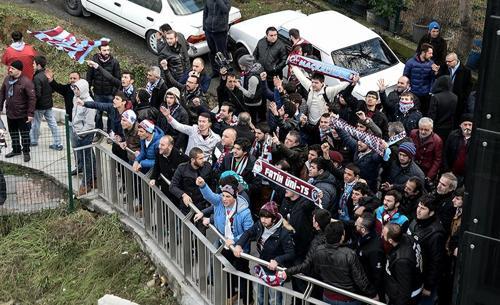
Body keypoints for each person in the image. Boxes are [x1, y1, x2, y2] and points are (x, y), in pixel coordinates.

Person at [280, 221, 377, 305]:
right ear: (342, 237)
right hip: (348, 298)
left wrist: (288, 271)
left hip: (327, 296)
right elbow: (360, 279)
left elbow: (308, 267)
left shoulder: (319, 250)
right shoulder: (349, 254)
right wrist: (373, 294)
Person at [195, 175, 254, 304]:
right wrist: (203, 185)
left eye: (228, 197)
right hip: (224, 244)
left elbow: (249, 232)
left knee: (243, 275)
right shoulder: (219, 201)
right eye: (223, 196)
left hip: (240, 248)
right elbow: (209, 196)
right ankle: (231, 296)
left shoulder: (244, 212)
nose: (225, 199)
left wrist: (236, 241)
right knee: (227, 271)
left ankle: (248, 300)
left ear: (235, 196)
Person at [233, 201, 295, 305]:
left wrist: (277, 260)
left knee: (274, 300)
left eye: (266, 217)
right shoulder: (259, 225)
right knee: (260, 296)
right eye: (261, 216)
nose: (263, 220)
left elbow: (291, 253)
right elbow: (248, 233)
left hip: (276, 271)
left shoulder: (284, 233)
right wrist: (239, 245)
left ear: (274, 218)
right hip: (262, 266)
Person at [408, 194, 446, 305]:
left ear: (432, 212)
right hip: (412, 275)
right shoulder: (415, 221)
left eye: (423, 208)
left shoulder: (436, 233)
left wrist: (429, 286)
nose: (418, 211)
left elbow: (436, 262)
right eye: (418, 206)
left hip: (424, 281)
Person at [0, 60, 35, 162]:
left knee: (24, 134)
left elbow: (32, 98)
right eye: (10, 68)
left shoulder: (26, 82)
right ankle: (16, 150)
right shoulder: (7, 79)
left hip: (22, 114)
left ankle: (26, 151)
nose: (10, 70)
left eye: (13, 68)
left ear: (19, 70)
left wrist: (30, 113)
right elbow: (2, 94)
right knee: (13, 133)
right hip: (10, 113)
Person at [382, 223, 423, 305]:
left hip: (408, 297)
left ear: (390, 240)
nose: (382, 235)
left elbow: (404, 292)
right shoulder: (407, 237)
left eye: (384, 235)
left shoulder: (402, 261)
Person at [86, 42, 121, 132]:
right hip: (98, 93)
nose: (107, 52)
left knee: (111, 115)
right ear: (100, 50)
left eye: (108, 50)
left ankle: (110, 133)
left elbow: (117, 79)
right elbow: (89, 77)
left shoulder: (114, 62)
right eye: (104, 50)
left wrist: (114, 92)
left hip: (110, 94)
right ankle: (99, 132)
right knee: (98, 114)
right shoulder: (94, 61)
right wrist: (89, 91)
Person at [69, 79, 97, 195]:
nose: (75, 90)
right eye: (74, 88)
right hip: (77, 131)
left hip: (85, 134)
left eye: (77, 88)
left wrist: (82, 134)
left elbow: (90, 123)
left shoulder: (89, 103)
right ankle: (95, 178)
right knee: (89, 156)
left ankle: (86, 183)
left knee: (86, 159)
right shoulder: (75, 99)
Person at [30, 55, 62, 150]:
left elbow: (37, 94)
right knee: (53, 123)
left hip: (40, 106)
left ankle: (34, 141)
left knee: (35, 124)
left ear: (38, 65)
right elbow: (52, 90)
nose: (32, 65)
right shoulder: (48, 74)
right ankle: (58, 143)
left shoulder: (36, 78)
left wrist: (32, 105)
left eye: (34, 63)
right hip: (48, 104)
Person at [170, 147, 214, 213]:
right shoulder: (182, 168)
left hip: (203, 205)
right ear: (193, 160)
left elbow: (212, 183)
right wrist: (183, 195)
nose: (203, 160)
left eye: (203, 157)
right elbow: (172, 186)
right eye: (200, 158)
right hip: (187, 205)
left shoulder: (207, 167)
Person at [355, 212, 386, 302]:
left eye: (357, 225)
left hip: (371, 291)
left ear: (363, 229)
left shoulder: (375, 250)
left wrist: (375, 294)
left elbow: (378, 276)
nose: (355, 225)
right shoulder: (363, 236)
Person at [149, 135, 189, 203]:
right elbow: (157, 165)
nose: (159, 147)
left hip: (177, 189)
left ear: (170, 146)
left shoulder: (181, 157)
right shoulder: (158, 152)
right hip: (165, 185)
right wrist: (153, 178)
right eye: (159, 144)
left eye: (162, 145)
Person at [404, 43, 439, 115]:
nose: (431, 55)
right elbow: (405, 76)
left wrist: (435, 72)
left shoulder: (431, 63)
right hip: (413, 93)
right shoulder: (410, 63)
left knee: (424, 112)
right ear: (423, 52)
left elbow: (432, 78)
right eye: (430, 53)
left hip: (426, 94)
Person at [203, 0, 231, 77]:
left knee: (221, 53)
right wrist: (204, 27)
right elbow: (205, 12)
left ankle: (224, 73)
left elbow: (225, 10)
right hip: (209, 31)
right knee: (212, 52)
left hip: (220, 31)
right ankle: (215, 71)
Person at [410, 117, 443, 182]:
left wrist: (429, 176)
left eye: (426, 130)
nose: (423, 132)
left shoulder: (437, 141)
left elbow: (437, 160)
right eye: (421, 129)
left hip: (426, 170)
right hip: (412, 166)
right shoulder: (413, 133)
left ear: (431, 129)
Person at [157, 87, 189, 151]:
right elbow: (158, 122)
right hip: (162, 137)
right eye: (167, 97)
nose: (168, 100)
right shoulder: (163, 107)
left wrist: (175, 147)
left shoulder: (183, 112)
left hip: (174, 140)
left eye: (171, 98)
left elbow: (182, 133)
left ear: (176, 99)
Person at [444, 52, 472, 122]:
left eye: (449, 61)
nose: (447, 63)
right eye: (446, 61)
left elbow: (469, 86)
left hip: (458, 100)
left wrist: (464, 97)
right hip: (445, 98)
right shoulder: (445, 68)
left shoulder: (466, 71)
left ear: (455, 61)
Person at [442, 114, 472, 180]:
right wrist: (447, 170)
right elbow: (445, 153)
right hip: (451, 172)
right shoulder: (453, 135)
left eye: (470, 125)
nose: (467, 127)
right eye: (465, 124)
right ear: (460, 125)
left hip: (466, 176)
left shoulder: (476, 139)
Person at [427, 76, 457, 140]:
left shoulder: (436, 97)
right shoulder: (455, 97)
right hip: (449, 128)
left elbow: (431, 114)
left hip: (437, 128)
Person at [237, 55, 265, 122]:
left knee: (252, 117)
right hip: (257, 98)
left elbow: (251, 95)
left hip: (253, 103)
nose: (240, 66)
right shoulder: (252, 69)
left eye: (241, 65)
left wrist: (239, 87)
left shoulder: (253, 78)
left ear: (246, 65)